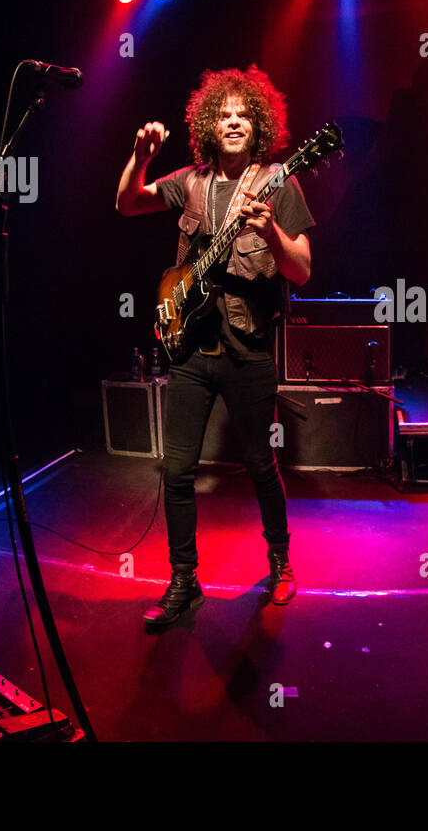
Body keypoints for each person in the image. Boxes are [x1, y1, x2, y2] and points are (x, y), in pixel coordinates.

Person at [116, 65, 315, 622]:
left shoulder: (279, 181)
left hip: (248, 352)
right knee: (177, 472)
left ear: (260, 124)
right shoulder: (192, 182)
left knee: (259, 464)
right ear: (209, 122)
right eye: (223, 114)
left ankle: (280, 564)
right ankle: (184, 580)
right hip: (190, 354)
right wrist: (142, 155)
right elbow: (127, 204)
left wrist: (270, 231)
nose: (233, 122)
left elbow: (300, 271)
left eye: (243, 114)